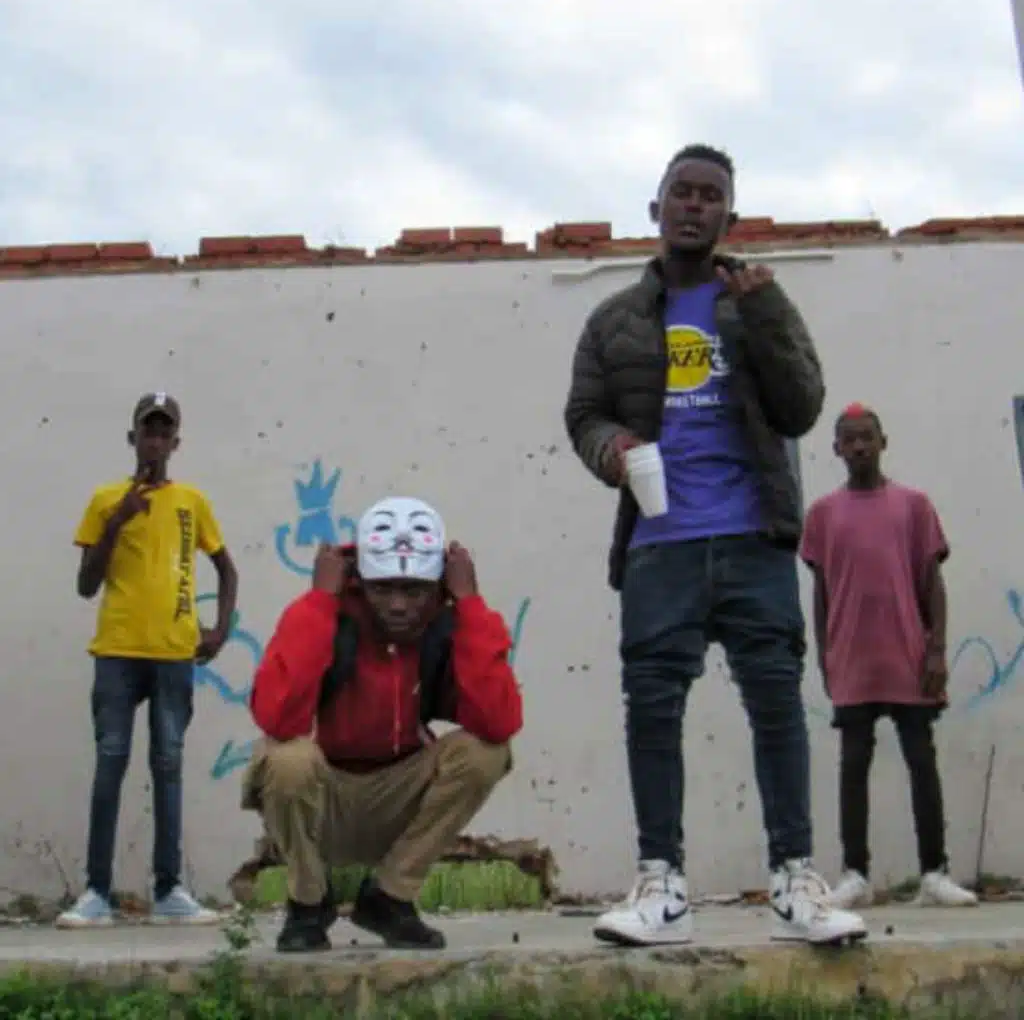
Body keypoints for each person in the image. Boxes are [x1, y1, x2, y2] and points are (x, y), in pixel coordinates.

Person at [563, 143, 866, 947]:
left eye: (710, 196)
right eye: (682, 192)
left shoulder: (759, 299)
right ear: (656, 208)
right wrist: (612, 448)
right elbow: (584, 414)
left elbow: (802, 407)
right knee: (652, 711)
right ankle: (661, 889)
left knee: (776, 705)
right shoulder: (614, 320)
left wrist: (763, 316)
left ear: (729, 215)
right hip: (658, 543)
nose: (694, 205)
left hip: (754, 538)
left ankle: (795, 884)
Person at [243, 496, 522, 953]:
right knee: (285, 757)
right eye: (382, 590)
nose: (398, 605)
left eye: (414, 591)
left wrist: (470, 604)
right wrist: (319, 601)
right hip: (325, 801)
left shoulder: (448, 623)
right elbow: (277, 716)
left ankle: (390, 898)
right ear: (361, 581)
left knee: (486, 752)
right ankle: (308, 904)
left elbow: (498, 720)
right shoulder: (331, 617)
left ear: (438, 586)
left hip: (400, 799)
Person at [57, 393, 238, 928]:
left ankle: (169, 891)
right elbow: (85, 585)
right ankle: (96, 892)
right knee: (110, 762)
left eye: (164, 433)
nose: (155, 442)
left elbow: (226, 569)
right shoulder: (105, 499)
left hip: (173, 653)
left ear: (176, 443)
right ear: (132, 438)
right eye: (147, 432)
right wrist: (117, 520)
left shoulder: (191, 501)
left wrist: (220, 630)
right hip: (117, 650)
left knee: (168, 764)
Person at [799, 403, 978, 909]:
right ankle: (855, 875)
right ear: (836, 448)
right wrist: (824, 653)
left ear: (883, 442)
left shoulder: (913, 506)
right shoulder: (822, 515)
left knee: (922, 759)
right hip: (852, 658)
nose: (859, 446)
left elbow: (932, 583)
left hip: (908, 654)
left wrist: (937, 648)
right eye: (849, 439)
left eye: (867, 437)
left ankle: (935, 873)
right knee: (853, 763)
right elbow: (821, 593)